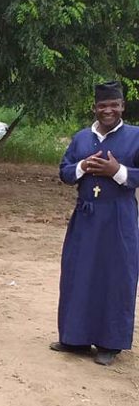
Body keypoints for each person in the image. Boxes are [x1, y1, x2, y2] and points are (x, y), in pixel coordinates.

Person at [51, 81, 139, 366]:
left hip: (118, 217)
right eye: (103, 106)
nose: (108, 110)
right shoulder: (81, 138)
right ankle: (74, 338)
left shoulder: (135, 137)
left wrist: (118, 171)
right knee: (78, 273)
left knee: (115, 276)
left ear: (122, 107)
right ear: (94, 108)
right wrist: (81, 167)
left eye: (114, 105)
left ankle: (109, 343)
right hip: (86, 216)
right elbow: (64, 172)